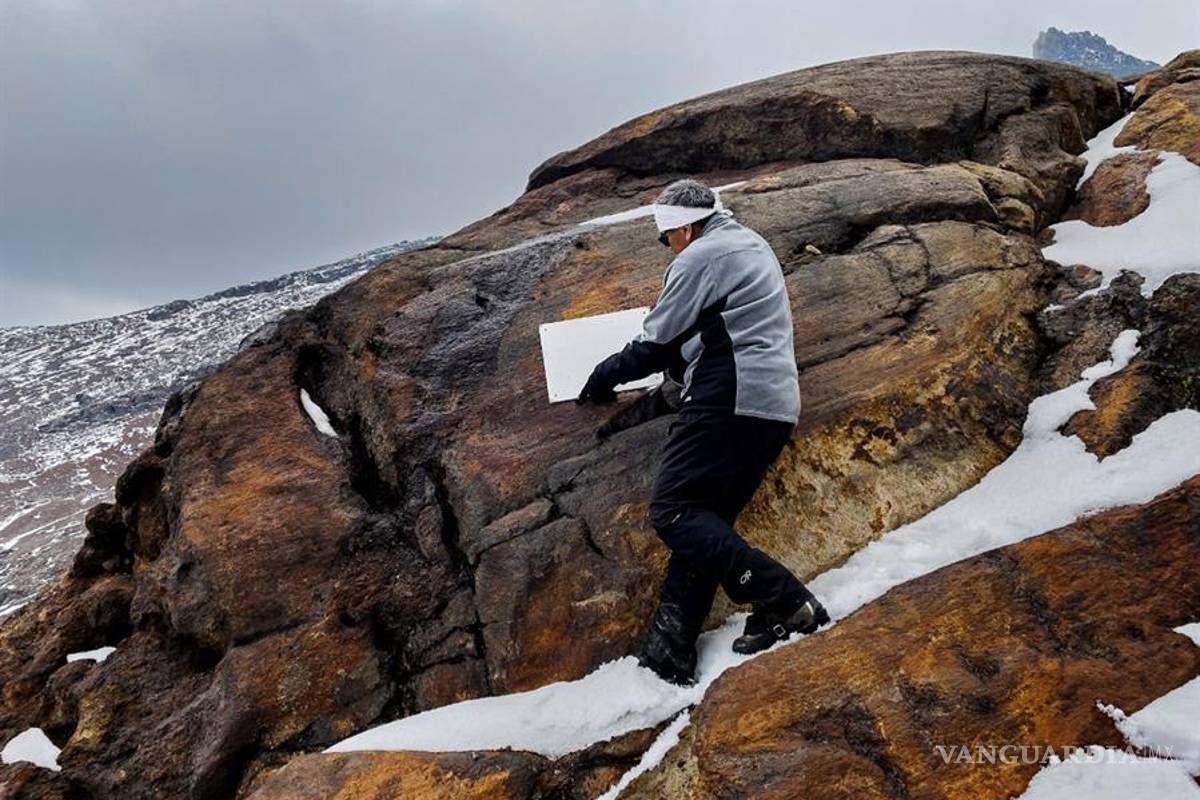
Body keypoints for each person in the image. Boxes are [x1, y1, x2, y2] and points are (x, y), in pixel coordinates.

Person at [576, 178, 828, 686]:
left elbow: (657, 343)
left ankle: (784, 595)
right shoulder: (749, 243)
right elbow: (707, 333)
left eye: (665, 238)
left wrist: (601, 376)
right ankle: (670, 652)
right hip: (771, 405)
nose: (664, 248)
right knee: (704, 524)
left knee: (673, 511)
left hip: (728, 401)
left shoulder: (701, 257)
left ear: (684, 229)